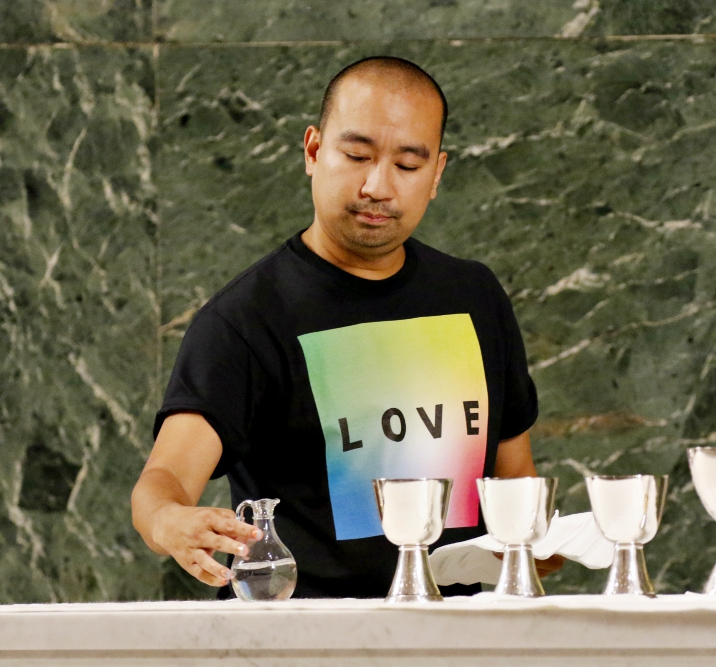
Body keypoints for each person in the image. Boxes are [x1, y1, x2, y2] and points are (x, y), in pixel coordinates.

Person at [131, 56, 562, 598]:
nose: (378, 186)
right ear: (313, 151)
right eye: (357, 155)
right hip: (303, 639)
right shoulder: (246, 318)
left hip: (462, 637)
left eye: (408, 166)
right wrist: (168, 521)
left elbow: (513, 477)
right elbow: (162, 481)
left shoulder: (474, 297)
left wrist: (540, 543)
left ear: (437, 175)